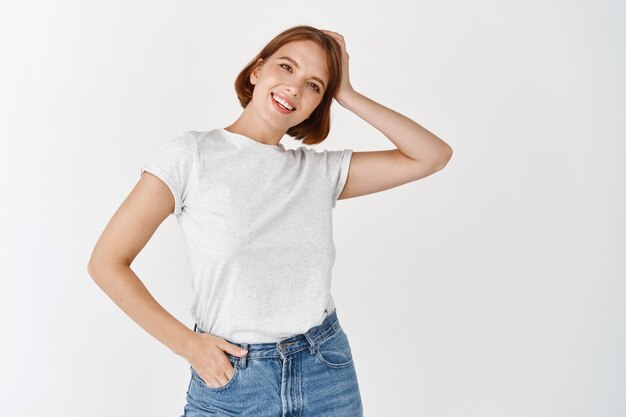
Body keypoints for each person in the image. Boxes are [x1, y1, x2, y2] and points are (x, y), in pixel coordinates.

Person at [87, 25, 452, 416]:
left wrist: (347, 93)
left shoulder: (317, 173)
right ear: (257, 70)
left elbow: (431, 155)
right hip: (231, 379)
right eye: (286, 67)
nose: (295, 88)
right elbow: (107, 263)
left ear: (318, 104)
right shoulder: (192, 155)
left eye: (314, 85)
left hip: (325, 372)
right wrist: (187, 345)